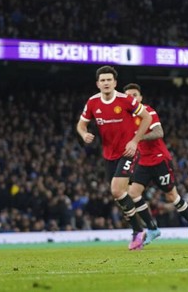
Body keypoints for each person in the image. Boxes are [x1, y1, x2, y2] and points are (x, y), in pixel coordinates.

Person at [76, 66, 154, 251]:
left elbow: (146, 118)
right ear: (98, 84)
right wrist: (83, 134)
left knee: (116, 190)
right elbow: (81, 124)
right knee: (119, 195)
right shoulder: (93, 102)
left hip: (128, 151)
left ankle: (140, 229)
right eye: (102, 80)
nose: (106, 83)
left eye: (109, 80)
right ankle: (140, 229)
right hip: (108, 155)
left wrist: (135, 141)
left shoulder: (126, 100)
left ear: (115, 83)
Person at [123, 83, 188, 246]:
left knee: (171, 196)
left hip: (159, 160)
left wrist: (138, 138)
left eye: (135, 95)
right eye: (128, 96)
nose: (132, 98)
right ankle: (152, 229)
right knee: (133, 192)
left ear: (141, 98)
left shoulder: (148, 111)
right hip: (143, 161)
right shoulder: (126, 117)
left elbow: (159, 132)